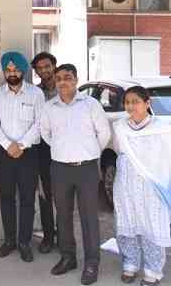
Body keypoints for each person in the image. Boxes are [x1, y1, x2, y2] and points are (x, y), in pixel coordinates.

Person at [40, 64, 111, 285]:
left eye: (67, 77)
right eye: (59, 78)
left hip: (86, 168)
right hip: (60, 168)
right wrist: (64, 152)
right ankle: (68, 257)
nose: (62, 81)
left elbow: (104, 134)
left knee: (89, 216)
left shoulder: (91, 105)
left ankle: (91, 262)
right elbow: (46, 134)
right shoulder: (49, 107)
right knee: (62, 214)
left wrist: (87, 153)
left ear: (76, 80)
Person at [0, 51, 44, 263]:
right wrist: (8, 144)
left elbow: (40, 123)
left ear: (23, 70)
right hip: (3, 152)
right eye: (8, 70)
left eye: (16, 69)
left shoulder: (36, 94)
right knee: (7, 197)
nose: (12, 73)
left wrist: (21, 145)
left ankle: (24, 242)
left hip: (28, 153)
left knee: (28, 199)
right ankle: (9, 240)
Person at [113, 86, 171, 286]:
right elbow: (120, 152)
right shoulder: (120, 126)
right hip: (126, 183)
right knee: (127, 223)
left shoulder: (162, 128)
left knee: (151, 225)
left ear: (148, 103)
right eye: (127, 102)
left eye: (135, 101)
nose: (130, 106)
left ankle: (153, 270)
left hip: (151, 186)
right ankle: (130, 264)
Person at [31, 51, 58, 254]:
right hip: (42, 150)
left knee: (65, 196)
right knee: (45, 194)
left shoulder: (65, 88)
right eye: (40, 68)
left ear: (54, 66)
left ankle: (65, 237)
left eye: (47, 66)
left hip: (65, 148)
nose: (44, 70)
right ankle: (49, 236)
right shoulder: (35, 92)